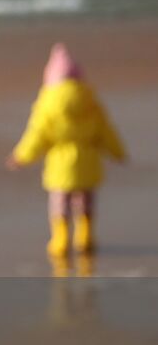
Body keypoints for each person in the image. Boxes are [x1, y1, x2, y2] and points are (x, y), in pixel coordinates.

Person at [7, 42, 127, 258]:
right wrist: (119, 153)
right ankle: (85, 237)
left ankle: (61, 239)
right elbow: (107, 133)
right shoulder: (91, 101)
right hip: (88, 165)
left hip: (60, 166)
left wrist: (20, 157)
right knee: (86, 201)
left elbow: (36, 137)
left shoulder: (47, 104)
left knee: (60, 204)